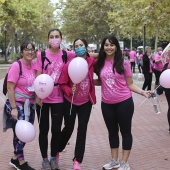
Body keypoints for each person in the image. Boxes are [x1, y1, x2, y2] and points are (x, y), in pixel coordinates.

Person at [94, 35, 152, 170]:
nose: (109, 47)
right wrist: (87, 81)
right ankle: (114, 161)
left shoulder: (123, 63)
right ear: (103, 47)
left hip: (124, 102)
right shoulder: (100, 63)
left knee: (126, 132)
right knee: (112, 132)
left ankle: (124, 163)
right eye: (106, 45)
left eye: (112, 45)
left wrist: (143, 92)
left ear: (116, 47)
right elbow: (99, 81)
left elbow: (130, 84)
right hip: (106, 103)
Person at [35, 28, 76, 170]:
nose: (54, 39)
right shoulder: (41, 55)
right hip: (42, 97)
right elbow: (38, 75)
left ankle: (53, 157)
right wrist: (37, 96)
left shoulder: (67, 54)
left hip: (59, 98)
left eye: (57, 36)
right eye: (51, 36)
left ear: (61, 39)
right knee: (44, 129)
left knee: (56, 130)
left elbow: (84, 55)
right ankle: (44, 160)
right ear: (48, 40)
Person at [58, 38, 96, 170]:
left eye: (81, 45)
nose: (79, 47)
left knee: (82, 129)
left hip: (86, 102)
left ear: (86, 47)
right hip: (70, 102)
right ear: (74, 49)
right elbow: (62, 84)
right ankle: (58, 149)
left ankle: (77, 160)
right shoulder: (69, 64)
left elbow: (104, 64)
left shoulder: (92, 62)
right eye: (76, 46)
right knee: (68, 128)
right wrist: (69, 90)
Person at [4, 42, 36, 170]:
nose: (29, 52)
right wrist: (13, 108)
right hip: (16, 103)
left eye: (32, 49)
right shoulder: (16, 66)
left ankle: (14, 158)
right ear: (22, 52)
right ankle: (21, 163)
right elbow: (10, 88)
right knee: (21, 134)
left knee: (24, 133)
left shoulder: (34, 66)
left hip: (30, 104)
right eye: (26, 49)